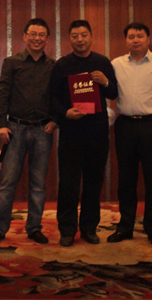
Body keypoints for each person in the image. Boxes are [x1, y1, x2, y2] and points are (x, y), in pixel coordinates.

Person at [0, 18, 57, 245]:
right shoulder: (11, 63)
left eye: (41, 35)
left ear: (47, 39)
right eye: (32, 34)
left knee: (38, 184)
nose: (37, 38)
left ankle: (34, 228)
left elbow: (59, 96)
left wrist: (55, 121)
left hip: (43, 131)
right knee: (7, 184)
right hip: (14, 130)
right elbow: (3, 93)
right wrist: (2, 124)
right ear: (24, 36)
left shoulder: (53, 65)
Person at [50, 20, 118, 247]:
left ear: (91, 36)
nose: (80, 39)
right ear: (70, 38)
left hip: (97, 131)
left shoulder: (102, 62)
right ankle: (67, 230)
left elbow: (114, 92)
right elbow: (52, 97)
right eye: (75, 36)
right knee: (68, 183)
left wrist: (105, 81)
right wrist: (65, 113)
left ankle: (89, 229)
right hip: (71, 132)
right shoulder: (62, 65)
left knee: (93, 182)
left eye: (84, 35)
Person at [108, 22, 152, 246]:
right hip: (125, 126)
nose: (135, 40)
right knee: (126, 179)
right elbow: (107, 92)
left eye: (140, 36)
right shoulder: (116, 64)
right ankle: (125, 226)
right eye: (131, 36)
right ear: (125, 40)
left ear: (148, 39)